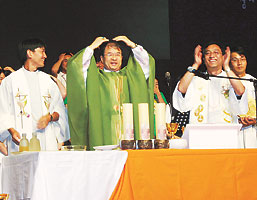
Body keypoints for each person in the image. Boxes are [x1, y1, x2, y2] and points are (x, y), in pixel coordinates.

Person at [67, 36, 155, 149]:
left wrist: (132, 45)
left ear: (122, 58)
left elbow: (147, 64)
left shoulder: (130, 77)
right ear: (102, 59)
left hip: (129, 138)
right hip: (103, 135)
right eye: (109, 54)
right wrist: (91, 47)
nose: (114, 58)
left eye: (117, 54)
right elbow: (76, 67)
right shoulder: (94, 79)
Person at [0, 38, 70, 154]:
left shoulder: (47, 80)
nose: (45, 56)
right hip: (21, 139)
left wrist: (49, 118)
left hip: (47, 139)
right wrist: (12, 131)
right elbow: (3, 111)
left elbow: (59, 111)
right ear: (30, 53)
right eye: (42, 51)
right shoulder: (11, 81)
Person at [173, 42, 248, 125]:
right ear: (204, 59)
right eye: (208, 53)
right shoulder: (197, 79)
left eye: (216, 52)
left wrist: (226, 66)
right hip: (201, 132)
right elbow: (181, 89)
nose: (212, 56)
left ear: (223, 57)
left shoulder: (229, 79)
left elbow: (241, 92)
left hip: (226, 131)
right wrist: (196, 64)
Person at [229, 46, 256, 148]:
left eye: (242, 59)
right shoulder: (225, 82)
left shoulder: (253, 82)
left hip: (252, 131)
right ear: (229, 63)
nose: (239, 63)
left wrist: (255, 120)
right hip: (232, 130)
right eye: (235, 60)